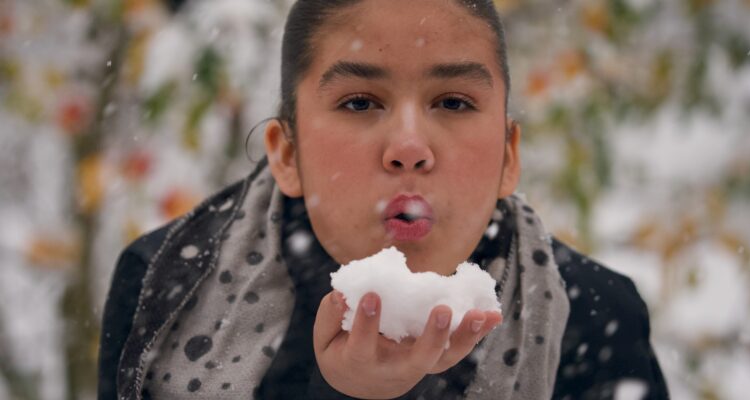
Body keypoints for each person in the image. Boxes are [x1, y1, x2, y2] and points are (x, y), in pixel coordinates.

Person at [97, 0, 669, 399]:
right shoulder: (169, 287)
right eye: (359, 102)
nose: (409, 147)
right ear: (287, 154)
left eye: (452, 102)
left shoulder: (591, 315)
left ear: (508, 155)